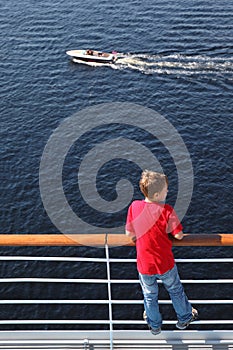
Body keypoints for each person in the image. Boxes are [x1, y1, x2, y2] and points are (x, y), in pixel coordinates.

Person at [125, 170, 198, 335]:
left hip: (144, 265)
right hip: (165, 263)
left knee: (149, 295)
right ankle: (184, 318)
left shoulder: (134, 207)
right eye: (166, 190)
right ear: (157, 194)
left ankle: (155, 325)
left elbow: (129, 234)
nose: (168, 192)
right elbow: (178, 235)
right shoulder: (167, 211)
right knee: (175, 290)